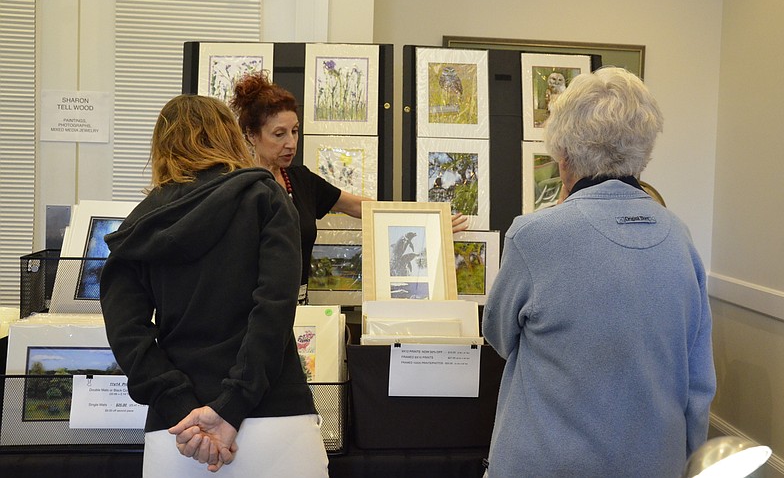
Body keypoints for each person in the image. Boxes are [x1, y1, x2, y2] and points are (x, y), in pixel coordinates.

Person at [482, 67, 715, 478]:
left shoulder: (534, 236)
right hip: (653, 462)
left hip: (545, 464)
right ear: (644, 150)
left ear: (564, 156)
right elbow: (699, 383)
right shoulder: (678, 236)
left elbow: (498, 337)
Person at [100, 95, 328, 477]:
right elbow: (273, 309)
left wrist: (180, 409)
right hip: (274, 418)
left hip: (179, 434)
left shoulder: (138, 227)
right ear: (231, 137)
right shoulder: (265, 197)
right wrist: (231, 405)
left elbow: (126, 334)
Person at [229, 71, 467, 301]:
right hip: (251, 312)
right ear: (251, 135)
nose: (291, 143)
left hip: (297, 309)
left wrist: (431, 222)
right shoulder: (237, 188)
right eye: (279, 134)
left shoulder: (301, 181)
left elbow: (363, 208)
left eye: (295, 131)